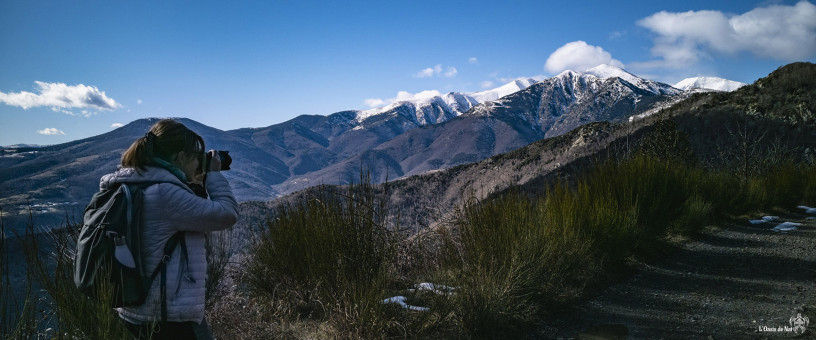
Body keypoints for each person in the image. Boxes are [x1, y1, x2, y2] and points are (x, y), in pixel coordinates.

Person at [100, 119, 239, 339]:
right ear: (181, 157)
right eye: (196, 157)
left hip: (135, 308)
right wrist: (213, 174)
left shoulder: (132, 183)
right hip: (169, 315)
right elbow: (227, 214)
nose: (198, 163)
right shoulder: (165, 194)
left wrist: (194, 182)